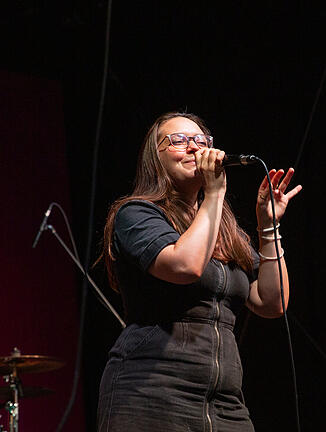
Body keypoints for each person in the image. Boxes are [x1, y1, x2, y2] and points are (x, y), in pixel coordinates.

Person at [96, 112, 302, 431]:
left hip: (225, 403)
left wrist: (268, 226)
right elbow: (185, 266)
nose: (194, 148)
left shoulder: (224, 229)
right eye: (179, 141)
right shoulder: (135, 213)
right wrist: (215, 193)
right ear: (155, 158)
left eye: (200, 141)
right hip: (152, 394)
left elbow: (272, 302)